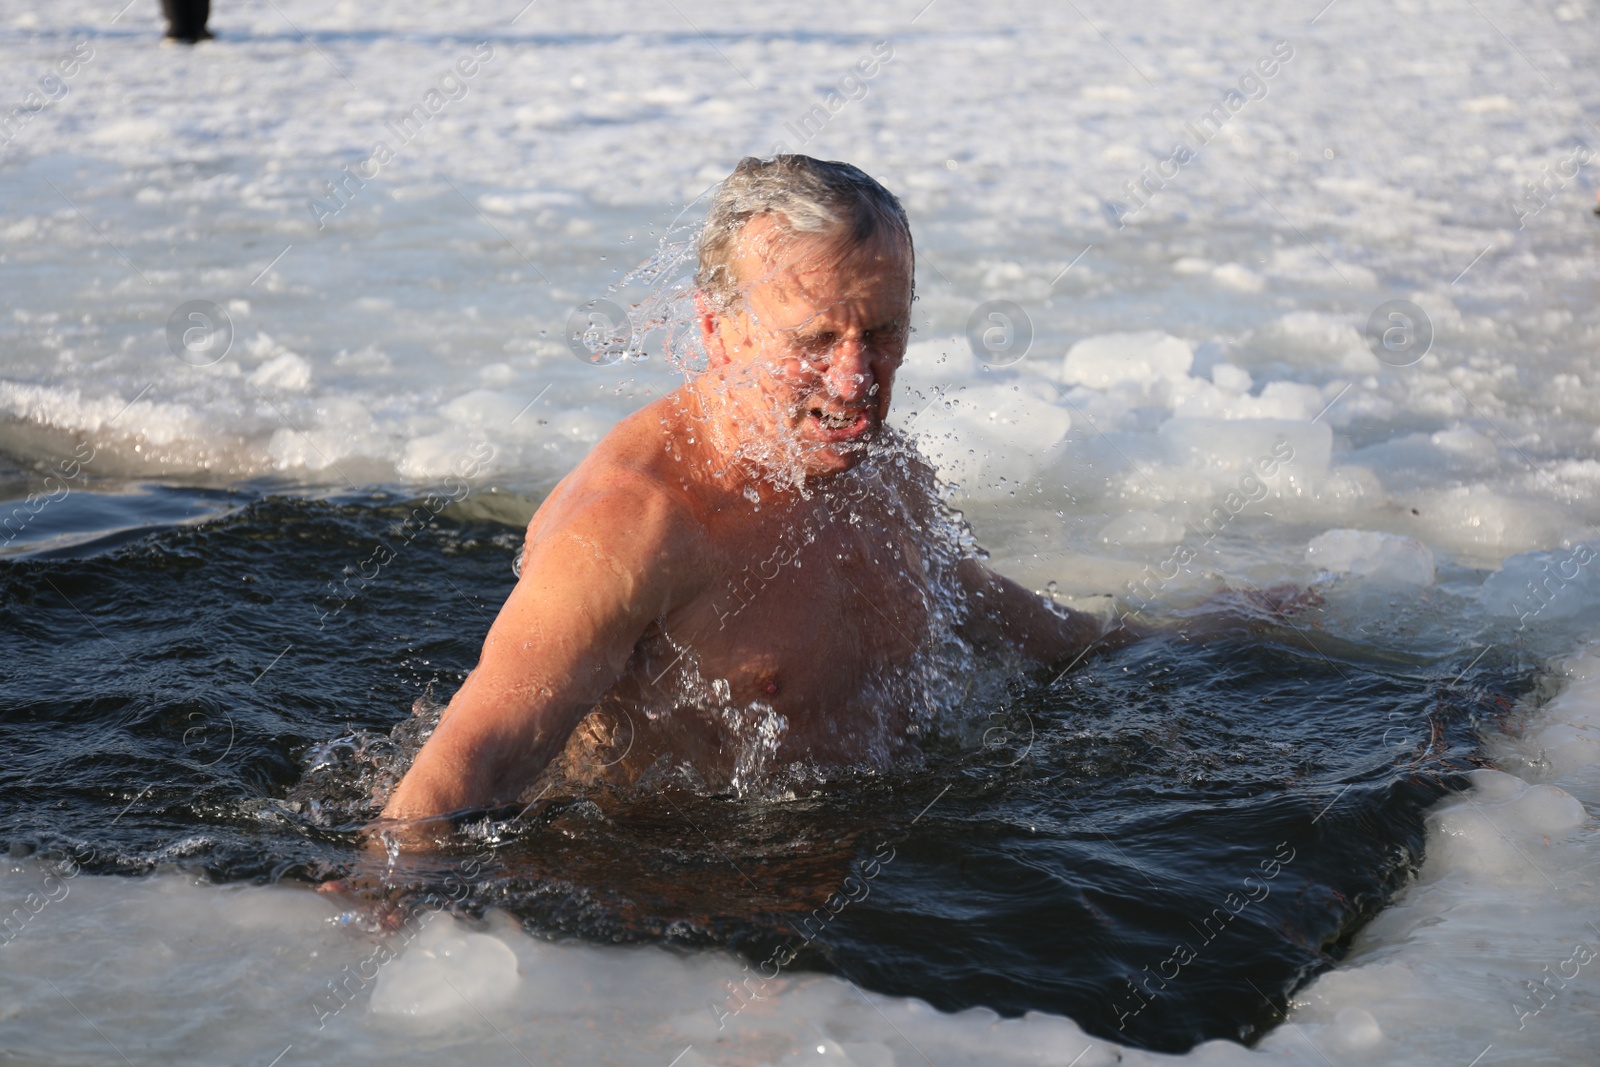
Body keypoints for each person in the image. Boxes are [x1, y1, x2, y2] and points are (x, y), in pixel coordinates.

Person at [378, 156, 1129, 827]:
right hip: (675, 891)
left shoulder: (881, 470)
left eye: (882, 333)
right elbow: (478, 750)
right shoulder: (637, 520)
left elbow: (969, 601)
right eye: (814, 340)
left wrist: (1156, 637)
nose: (856, 380)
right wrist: (382, 888)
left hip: (883, 856)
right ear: (718, 329)